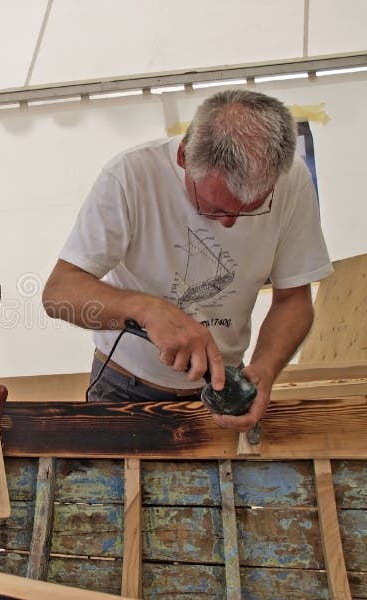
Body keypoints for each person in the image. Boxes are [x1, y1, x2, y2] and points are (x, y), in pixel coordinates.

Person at [42, 89, 332, 432]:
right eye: (216, 207)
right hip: (125, 386)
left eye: (251, 210)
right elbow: (59, 293)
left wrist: (265, 370)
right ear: (183, 157)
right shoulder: (130, 176)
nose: (229, 223)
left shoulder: (292, 180)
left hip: (224, 387)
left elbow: (294, 300)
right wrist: (148, 311)